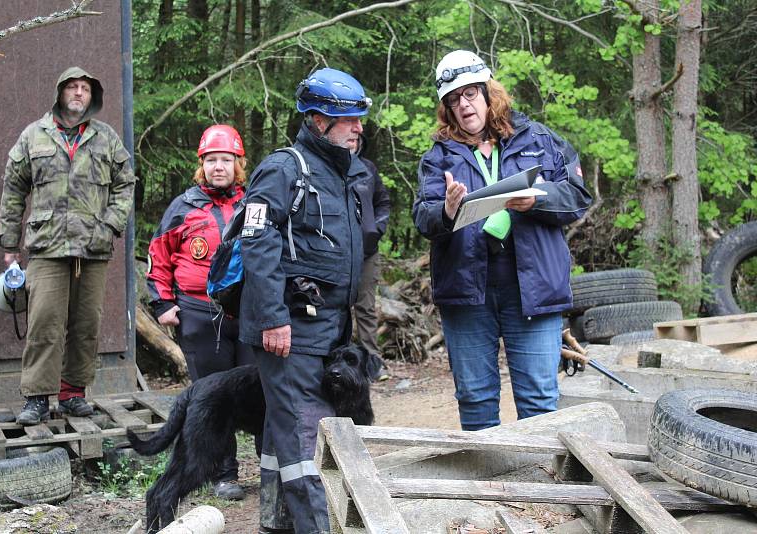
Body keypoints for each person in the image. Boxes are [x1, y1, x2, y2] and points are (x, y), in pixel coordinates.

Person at [413, 50, 592, 431]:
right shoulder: (437, 158)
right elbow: (423, 219)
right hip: (467, 290)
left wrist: (538, 201)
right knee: (475, 399)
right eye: (453, 101)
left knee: (539, 400)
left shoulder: (540, 140)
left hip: (533, 287)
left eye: (470, 94)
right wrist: (446, 210)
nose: (463, 106)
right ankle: (485, 488)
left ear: (488, 92)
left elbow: (577, 197)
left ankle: (535, 488)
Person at [238, 67, 370, 534]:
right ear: (317, 120)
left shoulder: (345, 174)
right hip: (287, 328)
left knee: (284, 430)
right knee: (306, 436)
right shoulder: (282, 168)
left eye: (360, 118)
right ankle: (318, 526)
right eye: (348, 119)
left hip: (328, 327)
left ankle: (277, 524)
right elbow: (256, 243)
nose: (358, 128)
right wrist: (273, 318)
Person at [0, 67, 136, 426]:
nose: (78, 93)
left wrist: (111, 225)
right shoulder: (34, 136)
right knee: (45, 323)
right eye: (72, 87)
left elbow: (125, 184)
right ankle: (37, 397)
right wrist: (10, 244)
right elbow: (13, 189)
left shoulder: (106, 138)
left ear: (92, 96)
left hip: (93, 246)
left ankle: (73, 393)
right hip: (47, 247)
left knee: (86, 323)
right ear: (59, 93)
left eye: (84, 88)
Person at [146, 124, 255, 500]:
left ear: (238, 164)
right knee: (214, 396)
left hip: (247, 311)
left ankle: (274, 465)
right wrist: (163, 303)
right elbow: (158, 256)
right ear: (201, 165)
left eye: (225, 160)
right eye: (211, 160)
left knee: (261, 388)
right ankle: (224, 474)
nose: (218, 167)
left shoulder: (254, 202)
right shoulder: (183, 207)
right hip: (198, 312)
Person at [352, 134, 391, 380]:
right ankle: (340, 365)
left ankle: (373, 364)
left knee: (365, 308)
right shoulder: (322, 169)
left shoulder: (367, 169)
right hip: (336, 253)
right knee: (336, 310)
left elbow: (383, 202)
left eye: (357, 139)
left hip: (367, 252)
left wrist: (376, 229)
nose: (352, 142)